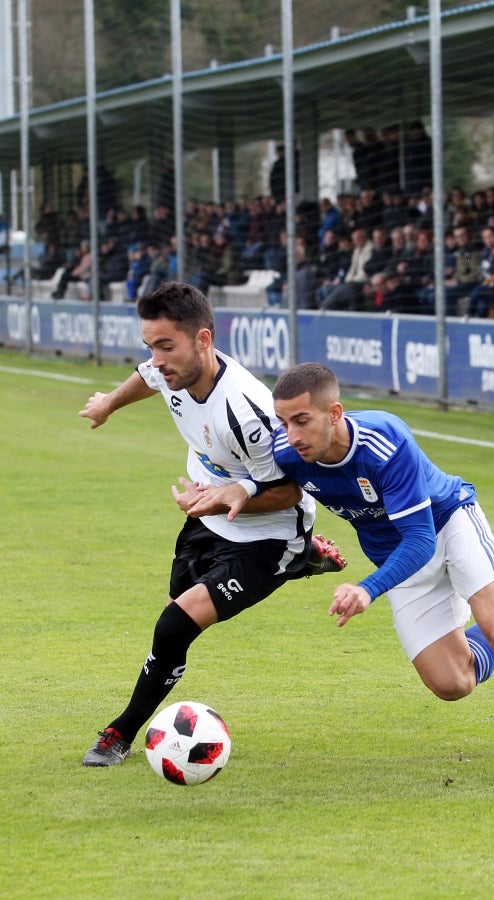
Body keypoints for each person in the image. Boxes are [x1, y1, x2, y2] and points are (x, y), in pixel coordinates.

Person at [261, 362, 494, 782]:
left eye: (302, 420)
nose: (291, 434)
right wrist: (237, 491)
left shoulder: (384, 441)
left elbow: (420, 540)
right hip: (398, 561)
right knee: (452, 683)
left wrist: (367, 590)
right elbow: (271, 493)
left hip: (448, 524)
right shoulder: (286, 451)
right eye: (283, 422)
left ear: (334, 414)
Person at [78, 283, 345, 767]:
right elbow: (146, 378)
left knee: (173, 625)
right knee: (173, 612)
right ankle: (307, 561)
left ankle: (120, 732)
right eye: (151, 346)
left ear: (203, 340)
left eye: (166, 347)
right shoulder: (172, 372)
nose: (157, 360)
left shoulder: (246, 412)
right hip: (207, 514)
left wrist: (223, 501)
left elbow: (290, 490)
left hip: (268, 534)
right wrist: (109, 405)